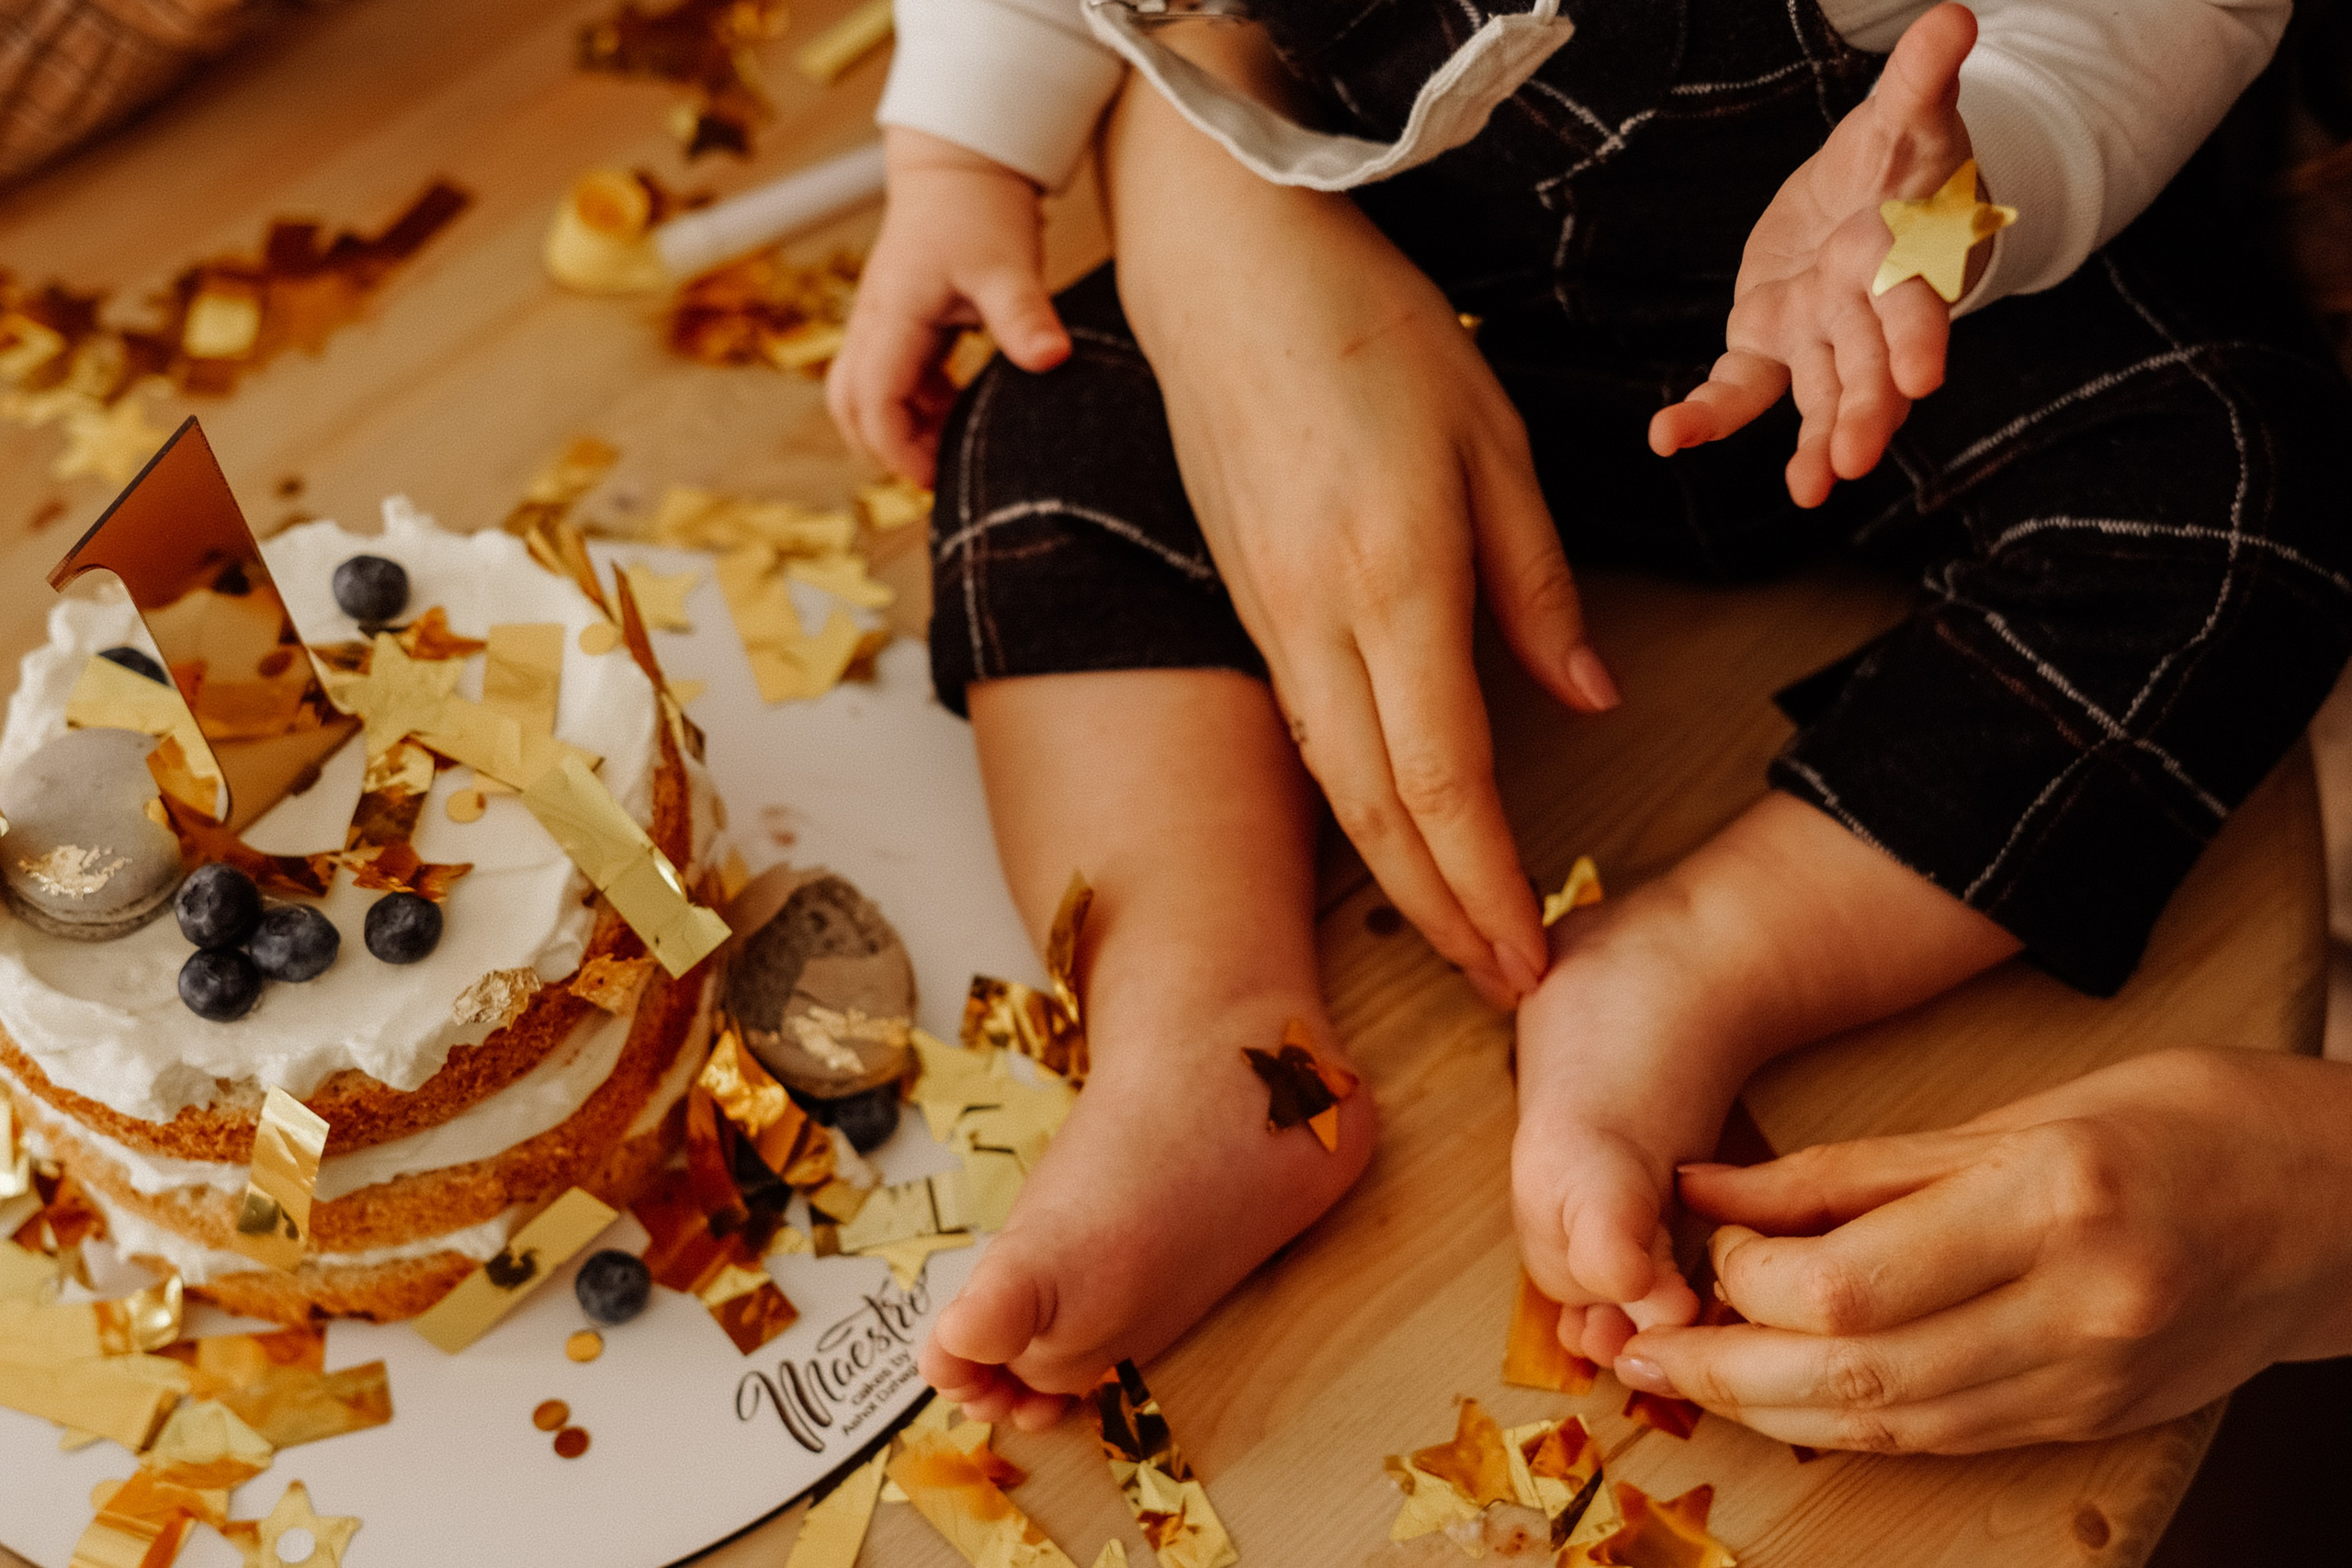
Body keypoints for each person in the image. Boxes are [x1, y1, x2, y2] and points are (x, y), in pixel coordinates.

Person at [826, 0, 2352, 1435]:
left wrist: (1967, 180)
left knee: (2241, 496)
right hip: (1433, 291)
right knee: (1041, 417)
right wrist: (963, 151)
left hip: (1896, 324)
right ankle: (1204, 1042)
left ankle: (1693, 964)